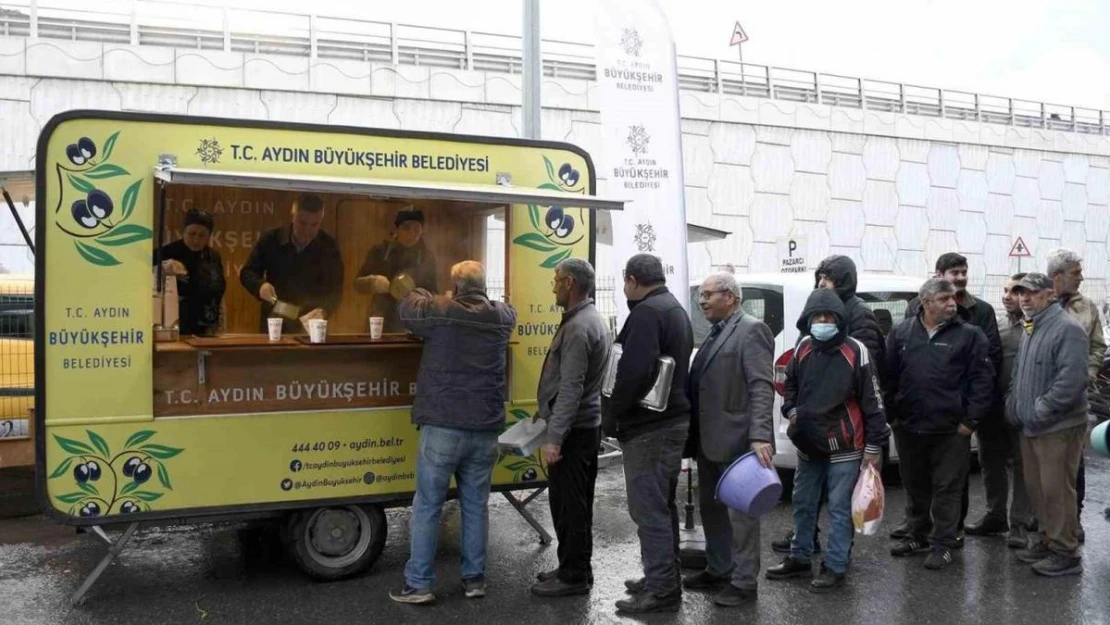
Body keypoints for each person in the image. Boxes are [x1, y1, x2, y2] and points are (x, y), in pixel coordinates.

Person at [389, 261, 516, 605]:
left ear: (456, 287)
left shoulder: (440, 310)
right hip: (486, 427)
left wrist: (419, 290)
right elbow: (509, 310)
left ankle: (419, 584)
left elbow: (408, 310)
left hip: (445, 425)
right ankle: (475, 581)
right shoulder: (502, 316)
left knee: (428, 504)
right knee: (476, 506)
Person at [767, 289, 888, 592]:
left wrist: (873, 448)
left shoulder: (855, 350)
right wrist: (792, 410)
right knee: (803, 504)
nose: (822, 322)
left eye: (828, 317)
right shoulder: (804, 347)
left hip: (845, 447)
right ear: (807, 320)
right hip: (808, 443)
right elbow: (789, 383)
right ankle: (799, 557)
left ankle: (835, 566)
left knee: (839, 509)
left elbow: (873, 400)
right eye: (816, 317)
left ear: (840, 319)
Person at [602, 254, 693, 615]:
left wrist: (612, 417)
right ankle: (662, 576)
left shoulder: (646, 313)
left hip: (649, 427)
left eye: (626, 281)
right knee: (663, 504)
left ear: (632, 279)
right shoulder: (673, 309)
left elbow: (634, 371)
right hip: (669, 423)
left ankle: (662, 589)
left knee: (648, 509)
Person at [892, 253, 1002, 543]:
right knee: (915, 485)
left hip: (951, 428)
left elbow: (983, 379)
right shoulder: (902, 332)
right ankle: (917, 535)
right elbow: (889, 375)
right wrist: (894, 416)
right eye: (945, 299)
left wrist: (970, 420)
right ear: (926, 303)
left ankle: (945, 540)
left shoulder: (971, 334)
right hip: (910, 426)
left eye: (953, 298)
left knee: (948, 488)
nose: (953, 303)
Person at [682, 272, 774, 608]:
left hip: (738, 440)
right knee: (712, 508)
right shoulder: (715, 332)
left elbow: (761, 386)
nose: (702, 300)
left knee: (742, 516)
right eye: (701, 295)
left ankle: (744, 581)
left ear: (731, 297)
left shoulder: (751, 330)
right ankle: (719, 568)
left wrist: (761, 435)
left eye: (708, 294)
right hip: (709, 439)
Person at [530, 259, 610, 598]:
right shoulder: (588, 320)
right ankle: (573, 566)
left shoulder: (579, 327)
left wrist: (555, 438)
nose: (553, 286)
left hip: (575, 432)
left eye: (556, 280)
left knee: (570, 506)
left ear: (570, 283)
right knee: (573, 503)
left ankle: (575, 575)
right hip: (582, 428)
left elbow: (572, 388)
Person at [1005, 272, 1088, 577]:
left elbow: (1072, 381)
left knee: (1057, 491)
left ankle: (1065, 552)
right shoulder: (1032, 326)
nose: (1024, 298)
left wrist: (1041, 409)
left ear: (1049, 294)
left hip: (1058, 427)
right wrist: (1014, 404)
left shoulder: (1067, 328)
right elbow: (1020, 374)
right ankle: (1046, 539)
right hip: (1031, 424)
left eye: (1031, 293)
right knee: (1037, 488)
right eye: (1020, 293)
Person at [1046, 248, 1104, 543]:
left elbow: (1098, 346)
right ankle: (1044, 522)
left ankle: (1074, 519)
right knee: (1041, 463)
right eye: (1076, 273)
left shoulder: (1087, 307)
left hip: (1075, 400)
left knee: (1074, 463)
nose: (1081, 278)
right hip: (1042, 397)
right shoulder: (1038, 302)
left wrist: (1088, 373)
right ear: (1058, 276)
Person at [239, 193, 344, 333]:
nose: (307, 231)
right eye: (302, 223)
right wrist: (260, 286)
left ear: (321, 220)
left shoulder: (329, 246)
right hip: (274, 321)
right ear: (292, 216)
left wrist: (324, 310)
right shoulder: (271, 239)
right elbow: (248, 272)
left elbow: (335, 288)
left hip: (311, 323)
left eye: (314, 225)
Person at [987, 274, 1037, 549]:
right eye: (1005, 290)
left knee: (1022, 466)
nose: (1007, 296)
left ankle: (1019, 524)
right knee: (991, 461)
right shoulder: (996, 325)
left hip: (1023, 410)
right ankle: (994, 516)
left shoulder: (1036, 328)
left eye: (1014, 291)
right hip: (993, 408)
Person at [354, 208, 439, 333]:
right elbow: (357, 284)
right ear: (397, 229)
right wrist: (373, 282)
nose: (411, 233)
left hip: (414, 317)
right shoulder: (380, 251)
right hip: (382, 315)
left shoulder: (427, 256)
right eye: (406, 228)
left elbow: (434, 291)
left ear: (422, 230)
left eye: (416, 229)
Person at [156, 208, 225, 336]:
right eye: (192, 234)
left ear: (209, 236)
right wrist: (164, 269)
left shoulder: (213, 256)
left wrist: (219, 327)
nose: (196, 239)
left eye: (202, 235)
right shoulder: (166, 252)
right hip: (175, 327)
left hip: (207, 326)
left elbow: (219, 291)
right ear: (184, 232)